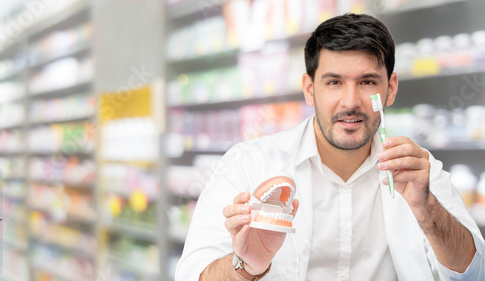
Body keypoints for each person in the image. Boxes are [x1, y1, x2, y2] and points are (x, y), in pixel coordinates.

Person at [175, 13, 485, 281]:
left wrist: (427, 208)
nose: (350, 102)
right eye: (334, 82)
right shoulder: (248, 164)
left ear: (390, 89)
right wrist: (247, 266)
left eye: (367, 82)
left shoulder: (418, 171)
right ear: (310, 89)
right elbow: (191, 274)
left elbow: (474, 272)